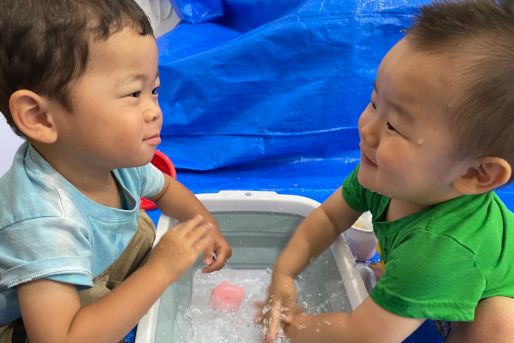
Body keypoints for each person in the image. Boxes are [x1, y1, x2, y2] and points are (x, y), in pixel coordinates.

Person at [257, 0, 514, 342]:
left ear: (476, 174)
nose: (367, 128)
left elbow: (363, 336)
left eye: (394, 126)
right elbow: (329, 219)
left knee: (496, 327)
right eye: (375, 102)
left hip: (494, 287)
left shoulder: (439, 248)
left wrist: (294, 325)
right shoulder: (388, 174)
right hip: (436, 270)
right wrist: (284, 273)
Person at [0, 0, 232, 342]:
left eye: (154, 90)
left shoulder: (109, 160)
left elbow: (166, 190)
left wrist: (206, 226)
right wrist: (161, 270)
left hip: (94, 263)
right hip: (32, 319)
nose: (155, 111)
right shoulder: (43, 221)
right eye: (133, 93)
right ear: (40, 117)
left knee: (137, 222)